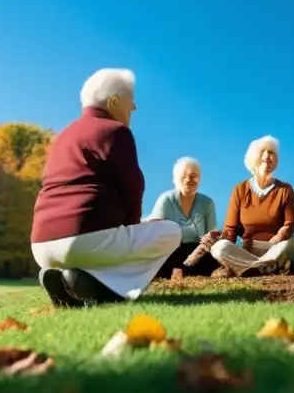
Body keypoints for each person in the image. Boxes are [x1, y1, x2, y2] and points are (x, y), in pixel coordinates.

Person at [30, 68, 181, 306]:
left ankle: (63, 280)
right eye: (131, 100)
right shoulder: (115, 130)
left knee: (104, 242)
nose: (134, 108)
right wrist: (133, 225)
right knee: (171, 231)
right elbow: (133, 186)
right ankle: (106, 290)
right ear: (113, 101)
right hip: (84, 241)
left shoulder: (63, 135)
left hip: (40, 246)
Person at [210, 135, 294, 276]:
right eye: (262, 151)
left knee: (288, 243)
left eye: (271, 152)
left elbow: (291, 223)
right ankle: (265, 267)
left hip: (275, 247)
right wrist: (224, 245)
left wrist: (280, 235)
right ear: (253, 158)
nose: (267, 155)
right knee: (219, 248)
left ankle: (251, 268)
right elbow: (230, 229)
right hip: (249, 249)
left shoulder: (285, 189)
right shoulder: (240, 190)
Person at [148, 157, 220, 278]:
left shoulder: (207, 203)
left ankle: (185, 271)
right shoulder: (166, 199)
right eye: (184, 176)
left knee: (213, 256)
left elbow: (210, 235)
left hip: (197, 251)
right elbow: (156, 231)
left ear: (199, 178)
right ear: (175, 178)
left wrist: (196, 254)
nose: (189, 180)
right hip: (171, 249)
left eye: (193, 176)